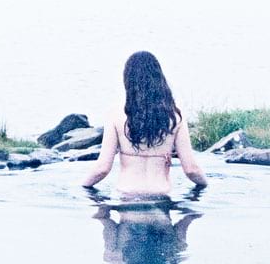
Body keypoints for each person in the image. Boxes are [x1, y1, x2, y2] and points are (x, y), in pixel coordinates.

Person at [80, 50, 209, 198]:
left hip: (128, 196)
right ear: (158, 78)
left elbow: (102, 169)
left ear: (128, 80)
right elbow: (192, 169)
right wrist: (206, 186)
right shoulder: (175, 116)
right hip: (162, 197)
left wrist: (81, 188)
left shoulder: (115, 115)